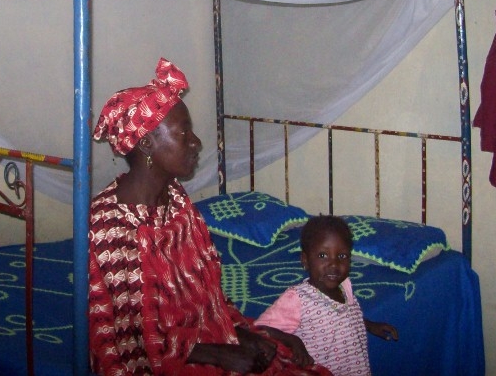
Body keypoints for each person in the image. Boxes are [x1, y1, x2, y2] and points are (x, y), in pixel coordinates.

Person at [88, 58, 325, 376]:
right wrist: (217, 354)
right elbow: (128, 338)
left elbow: (204, 298)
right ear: (146, 143)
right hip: (157, 361)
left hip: (202, 340)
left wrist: (239, 334)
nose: (196, 143)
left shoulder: (175, 200)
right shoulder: (109, 225)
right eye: (183, 133)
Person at [255, 215, 399, 376]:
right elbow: (259, 328)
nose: (334, 264)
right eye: (323, 255)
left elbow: (344, 316)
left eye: (342, 256)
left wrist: (369, 325)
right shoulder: (297, 298)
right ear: (305, 260)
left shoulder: (345, 286)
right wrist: (293, 341)